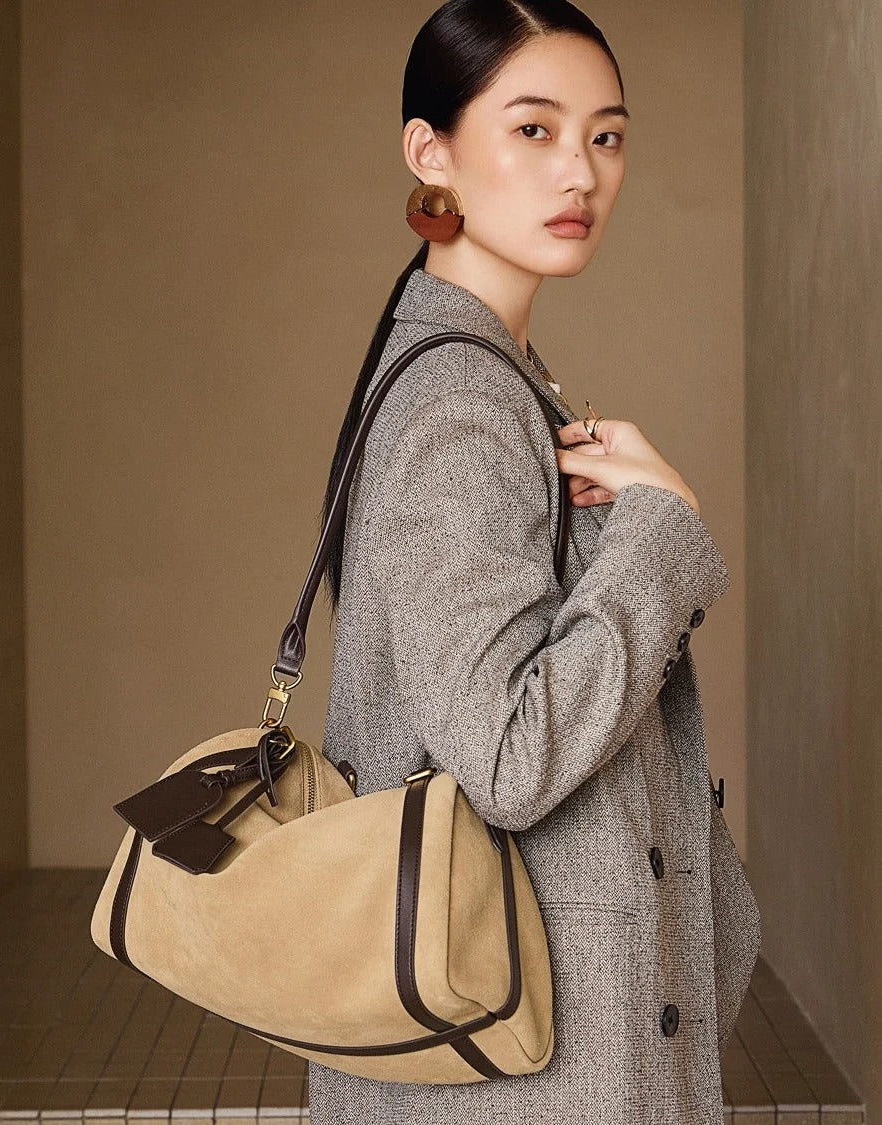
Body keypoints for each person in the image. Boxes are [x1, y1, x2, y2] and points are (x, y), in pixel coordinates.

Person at [308, 2, 761, 1122]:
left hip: (528, 1046)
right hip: (523, 1073)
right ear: (433, 154)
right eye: (534, 129)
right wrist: (660, 527)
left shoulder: (487, 368)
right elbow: (508, 756)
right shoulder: (460, 401)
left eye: (606, 136)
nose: (581, 173)